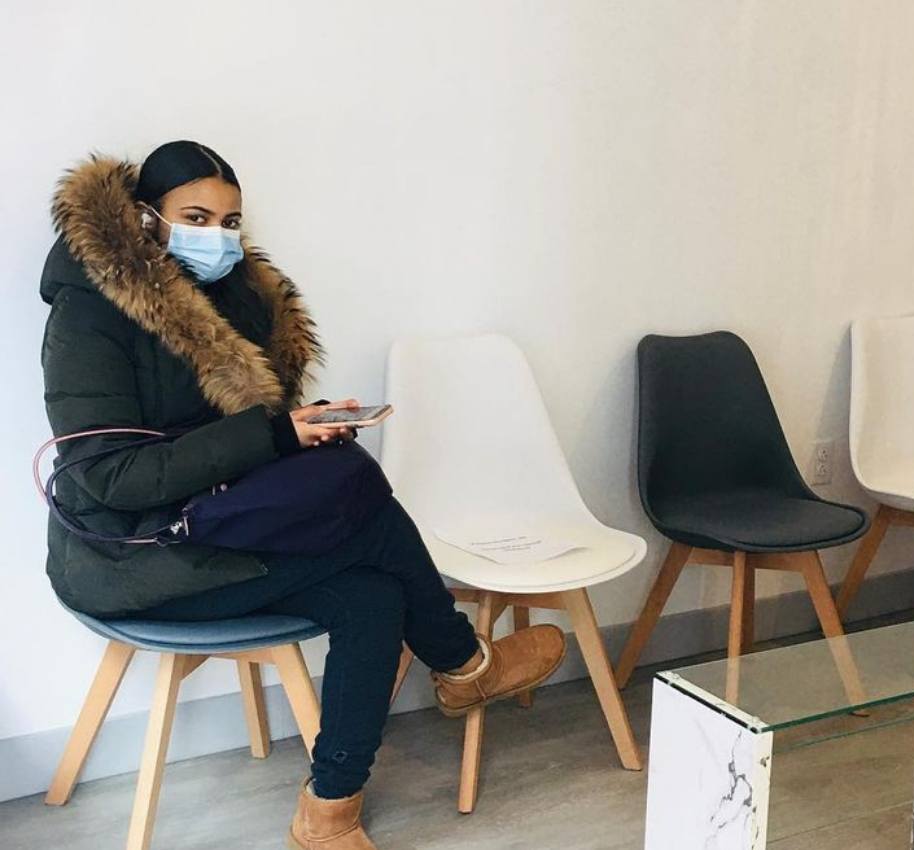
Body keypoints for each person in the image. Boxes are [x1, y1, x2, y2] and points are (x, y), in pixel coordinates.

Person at [40, 141, 567, 849]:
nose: (218, 236)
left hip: (216, 528)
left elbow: (240, 443)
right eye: (197, 216)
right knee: (373, 528)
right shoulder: (88, 316)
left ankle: (330, 810)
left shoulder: (233, 303)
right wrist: (274, 435)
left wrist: (302, 430)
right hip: (132, 557)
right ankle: (463, 664)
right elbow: (107, 479)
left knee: (376, 593)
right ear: (144, 221)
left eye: (230, 222)